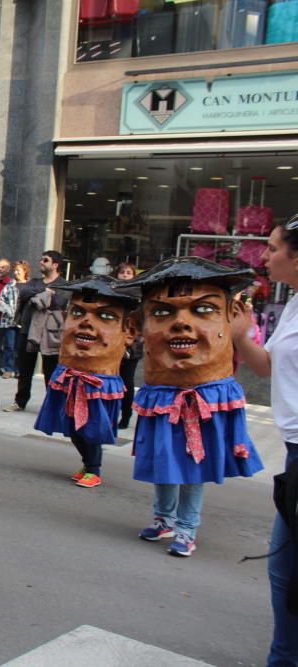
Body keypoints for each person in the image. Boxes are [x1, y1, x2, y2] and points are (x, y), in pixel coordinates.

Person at [122, 257, 263, 558]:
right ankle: (164, 519)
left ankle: (187, 528)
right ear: (141, 323)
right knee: (165, 462)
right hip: (162, 396)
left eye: (202, 309)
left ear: (232, 314)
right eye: (161, 311)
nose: (182, 323)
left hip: (206, 400)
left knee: (193, 468)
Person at [230, 215, 298, 665]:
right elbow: (268, 365)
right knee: (284, 569)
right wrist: (240, 333)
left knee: (286, 569)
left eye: (273, 248)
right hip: (294, 454)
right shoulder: (293, 302)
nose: (265, 255)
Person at [33, 277, 139, 489]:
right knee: (72, 428)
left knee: (92, 429)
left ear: (128, 329)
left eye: (105, 316)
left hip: (99, 384)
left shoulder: (126, 335)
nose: (86, 322)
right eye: (78, 312)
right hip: (70, 378)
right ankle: (87, 463)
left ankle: (94, 469)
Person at [4, 251, 67, 412]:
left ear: (55, 265)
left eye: (45, 260)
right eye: (40, 259)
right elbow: (23, 292)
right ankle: (20, 401)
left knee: (50, 371)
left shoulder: (63, 284)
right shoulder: (34, 282)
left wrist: (40, 295)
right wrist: (45, 292)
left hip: (51, 333)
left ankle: (52, 406)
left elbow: (60, 302)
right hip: (28, 330)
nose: (41, 262)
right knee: (25, 369)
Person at [115, 262, 143, 429]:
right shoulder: (112, 292)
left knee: (127, 381)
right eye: (122, 272)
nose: (125, 275)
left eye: (128, 273)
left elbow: (141, 321)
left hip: (131, 346)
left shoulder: (138, 296)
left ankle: (125, 416)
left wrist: (137, 338)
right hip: (113, 342)